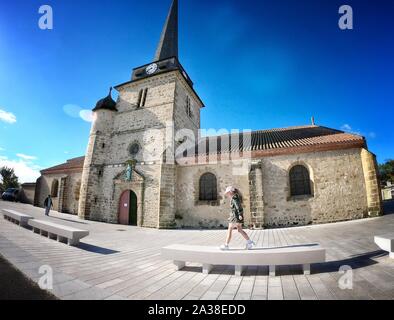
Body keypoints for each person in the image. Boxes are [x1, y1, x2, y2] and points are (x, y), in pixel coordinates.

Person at [220, 186, 255, 251]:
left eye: (227, 193)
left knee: (229, 230)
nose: (227, 194)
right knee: (239, 230)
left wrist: (239, 215)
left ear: (230, 192)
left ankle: (226, 245)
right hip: (236, 217)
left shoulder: (234, 198)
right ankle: (249, 242)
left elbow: (238, 207)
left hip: (235, 217)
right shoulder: (236, 197)